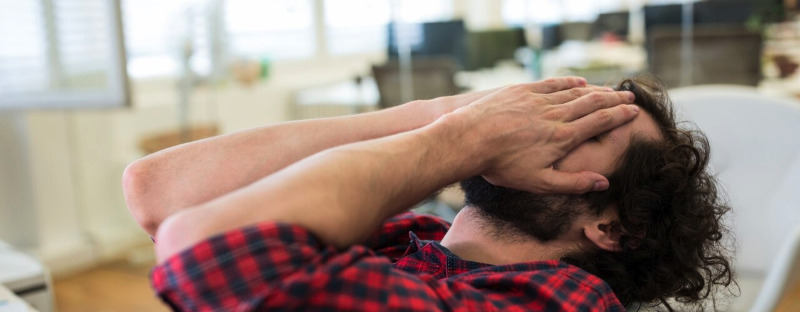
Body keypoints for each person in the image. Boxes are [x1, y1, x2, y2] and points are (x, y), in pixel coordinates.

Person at [123, 76, 734, 311]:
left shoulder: (565, 301)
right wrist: (440, 116)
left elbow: (202, 248)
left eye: (588, 125)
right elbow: (158, 193)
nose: (540, 117)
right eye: (557, 103)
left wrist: (459, 140)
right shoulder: (407, 235)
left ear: (613, 225)